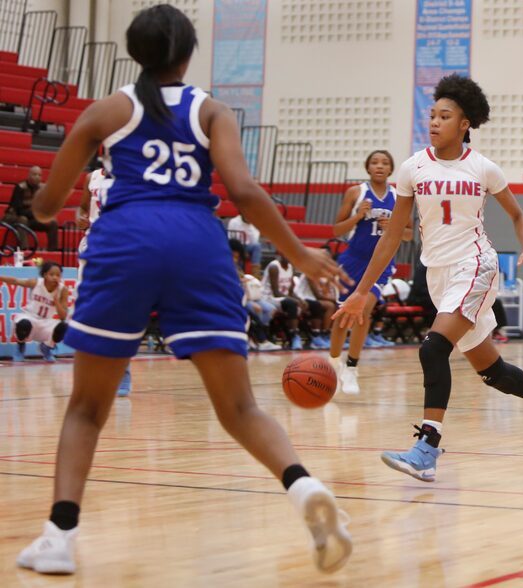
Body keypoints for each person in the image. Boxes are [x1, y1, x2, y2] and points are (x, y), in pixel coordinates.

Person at [17, 5, 352, 576]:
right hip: (198, 244)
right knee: (240, 407)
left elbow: (46, 206)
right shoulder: (212, 110)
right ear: (189, 54)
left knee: (87, 407)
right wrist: (299, 253)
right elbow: (243, 191)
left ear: (134, 51)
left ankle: (60, 536)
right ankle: (303, 488)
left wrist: (52, 205)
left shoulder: (108, 110)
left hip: (126, 240)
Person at [333, 74, 523, 482]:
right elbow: (393, 235)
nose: (434, 122)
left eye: (444, 116)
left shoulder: (483, 168)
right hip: (438, 273)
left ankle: (427, 448)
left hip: (476, 265)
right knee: (492, 372)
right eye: (432, 115)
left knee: (432, 349)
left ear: (464, 123)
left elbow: (519, 216)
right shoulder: (412, 168)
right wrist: (361, 291)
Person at [328, 150, 413, 394]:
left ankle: (352, 368)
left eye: (385, 163)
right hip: (353, 260)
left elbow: (408, 235)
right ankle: (334, 364)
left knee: (364, 310)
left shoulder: (399, 196)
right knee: (343, 317)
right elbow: (336, 230)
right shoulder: (356, 193)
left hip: (381, 264)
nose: (379, 166)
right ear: (368, 168)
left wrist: (394, 229)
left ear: (391, 169)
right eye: (375, 162)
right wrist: (357, 216)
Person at [78, 166, 132, 395]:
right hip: (92, 245)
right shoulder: (91, 177)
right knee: (89, 311)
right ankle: (91, 374)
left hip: (120, 244)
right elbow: (81, 209)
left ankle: (123, 371)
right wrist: (80, 219)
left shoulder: (131, 175)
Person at [0, 261, 68, 362]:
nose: (55, 277)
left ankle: (46, 348)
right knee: (23, 324)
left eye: (58, 275)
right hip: (30, 317)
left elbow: (63, 317)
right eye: (52, 274)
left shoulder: (63, 290)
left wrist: (57, 302)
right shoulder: (36, 283)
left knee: (63, 326)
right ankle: (20, 348)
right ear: (45, 275)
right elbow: (15, 281)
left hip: (46, 322)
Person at [3, 165, 60, 250]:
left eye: (39, 175)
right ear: (29, 175)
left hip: (32, 218)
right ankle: (24, 249)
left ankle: (53, 250)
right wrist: (36, 214)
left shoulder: (43, 188)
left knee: (52, 223)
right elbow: (18, 209)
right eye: (34, 174)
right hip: (14, 217)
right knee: (23, 219)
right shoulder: (20, 187)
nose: (37, 177)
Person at [263, 253, 303, 350]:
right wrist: (294, 300)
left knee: (304, 304)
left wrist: (300, 300)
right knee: (291, 304)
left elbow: (290, 292)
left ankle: (315, 336)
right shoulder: (274, 267)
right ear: (281, 254)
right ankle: (294, 335)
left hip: (283, 298)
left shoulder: (290, 267)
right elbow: (276, 292)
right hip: (268, 297)